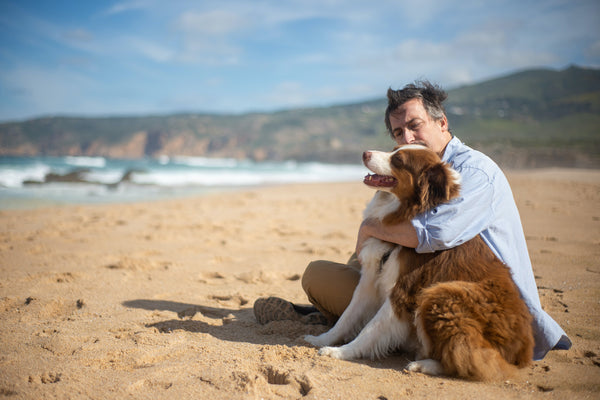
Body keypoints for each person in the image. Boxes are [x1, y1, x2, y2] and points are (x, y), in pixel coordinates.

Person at [254, 80, 571, 361]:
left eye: (415, 125)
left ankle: (330, 317)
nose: (407, 136)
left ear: (442, 122)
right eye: (398, 132)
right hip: (425, 278)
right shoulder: (421, 165)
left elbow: (436, 232)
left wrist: (369, 228)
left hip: (475, 310)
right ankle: (336, 316)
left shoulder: (472, 171)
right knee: (361, 259)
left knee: (319, 276)